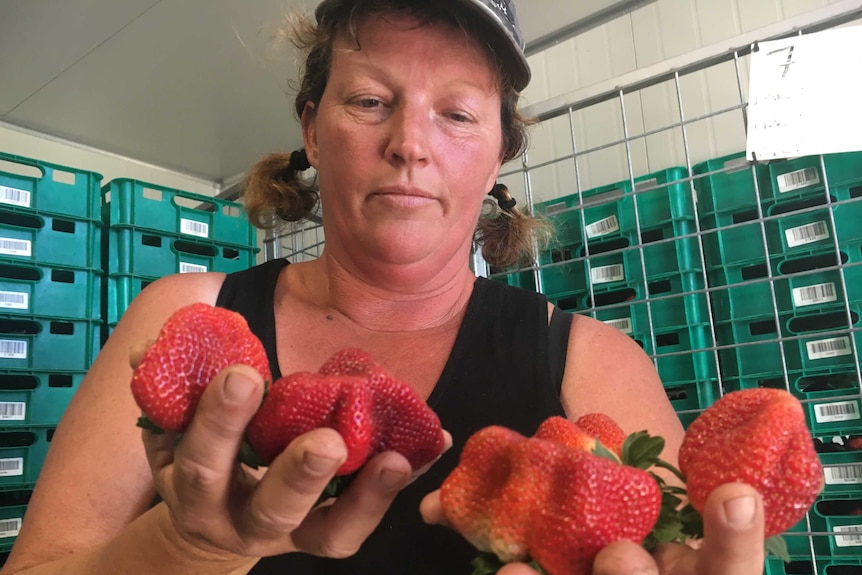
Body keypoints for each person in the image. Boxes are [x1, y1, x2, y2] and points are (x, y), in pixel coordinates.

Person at [1, 1, 768, 574]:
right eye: (370, 100)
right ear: (311, 127)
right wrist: (181, 547)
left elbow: (685, 551)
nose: (409, 145)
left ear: (499, 153)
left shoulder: (593, 362)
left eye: (459, 113)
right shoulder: (187, 318)